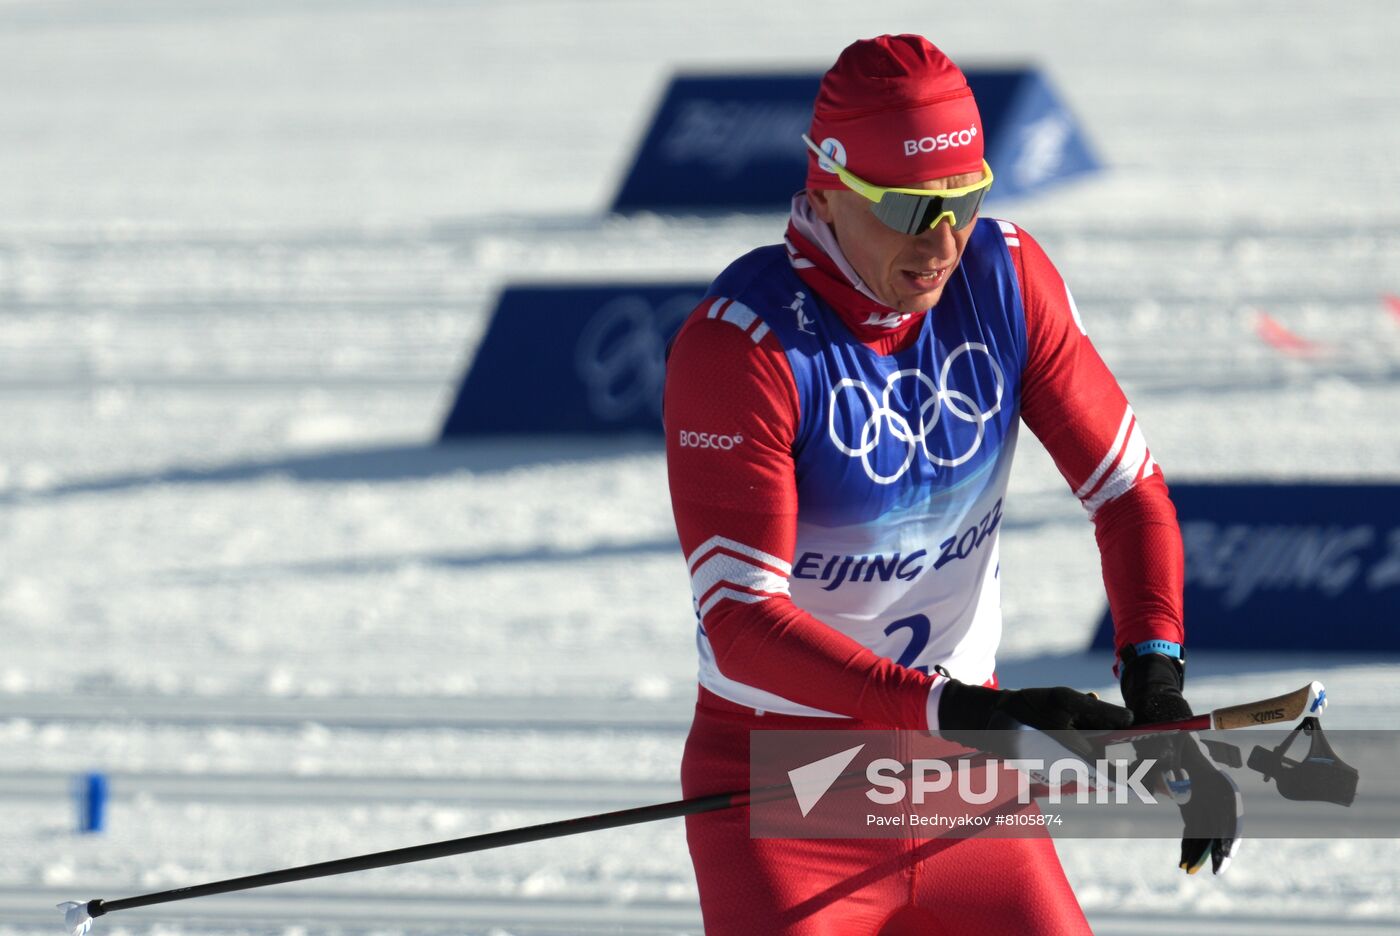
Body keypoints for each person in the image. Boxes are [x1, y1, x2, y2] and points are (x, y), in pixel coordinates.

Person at [663, 34, 1232, 935]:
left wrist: (1155, 680)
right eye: (908, 205)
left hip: (961, 777)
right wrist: (963, 708)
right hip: (785, 789)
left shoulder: (1003, 278)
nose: (943, 240)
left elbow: (1127, 493)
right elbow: (741, 623)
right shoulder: (742, 348)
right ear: (825, 190)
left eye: (965, 199)